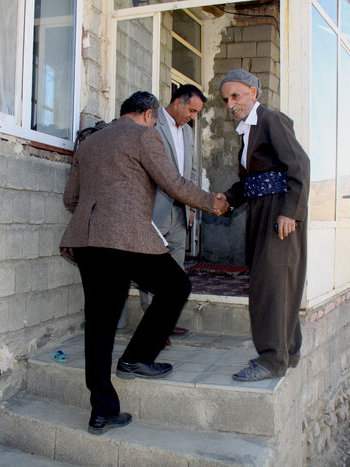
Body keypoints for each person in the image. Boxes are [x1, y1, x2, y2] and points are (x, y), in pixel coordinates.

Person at [59, 91, 229, 435]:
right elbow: (173, 183)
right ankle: (136, 358)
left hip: (88, 240)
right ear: (150, 115)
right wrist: (212, 203)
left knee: (99, 324)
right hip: (126, 238)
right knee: (177, 286)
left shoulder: (90, 143)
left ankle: (102, 411)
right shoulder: (144, 135)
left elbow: (70, 199)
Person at [219, 69, 310, 382]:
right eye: (226, 99)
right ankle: (289, 351)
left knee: (272, 286)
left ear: (253, 93)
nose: (230, 104)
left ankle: (272, 361)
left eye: (236, 96)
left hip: (278, 212)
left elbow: (299, 165)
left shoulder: (270, 119)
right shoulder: (247, 131)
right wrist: (227, 199)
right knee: (272, 282)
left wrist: (289, 213)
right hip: (260, 210)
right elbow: (249, 182)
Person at [140, 84, 207, 336]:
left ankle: (165, 321)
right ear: (177, 102)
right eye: (191, 110)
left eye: (196, 113)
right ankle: (150, 328)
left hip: (180, 210)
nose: (193, 117)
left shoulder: (188, 133)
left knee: (176, 266)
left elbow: (189, 172)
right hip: (155, 207)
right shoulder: (152, 124)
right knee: (152, 267)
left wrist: (191, 206)